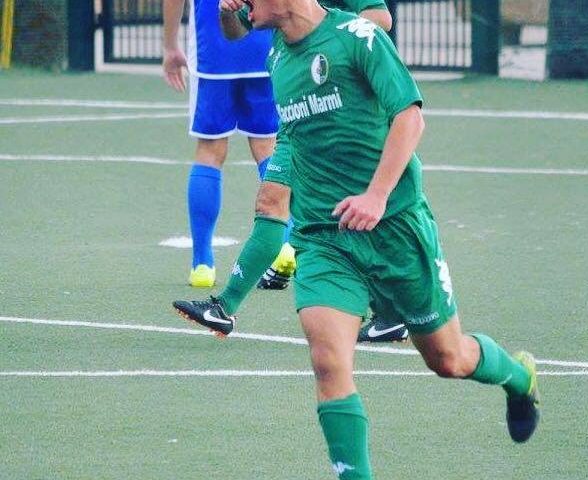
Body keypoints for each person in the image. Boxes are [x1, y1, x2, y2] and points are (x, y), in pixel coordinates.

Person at [177, 0, 542, 477]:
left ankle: (518, 378)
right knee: (328, 362)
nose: (237, 2)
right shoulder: (276, 56)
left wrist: (376, 194)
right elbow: (231, 30)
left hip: (396, 229)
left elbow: (410, 117)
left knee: (449, 358)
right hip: (325, 239)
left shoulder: (358, 38)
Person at [173, 0, 408, 343]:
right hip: (297, 104)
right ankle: (224, 307)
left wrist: (325, 38)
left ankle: (390, 311)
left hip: (336, 108)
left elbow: (380, 18)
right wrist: (227, 12)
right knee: (271, 202)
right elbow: (236, 30)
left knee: (339, 213)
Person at [163, 0, 294, 288]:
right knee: (268, 146)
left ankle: (202, 264)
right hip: (263, 40)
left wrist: (170, 45)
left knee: (210, 150)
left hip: (214, 47)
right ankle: (284, 243)